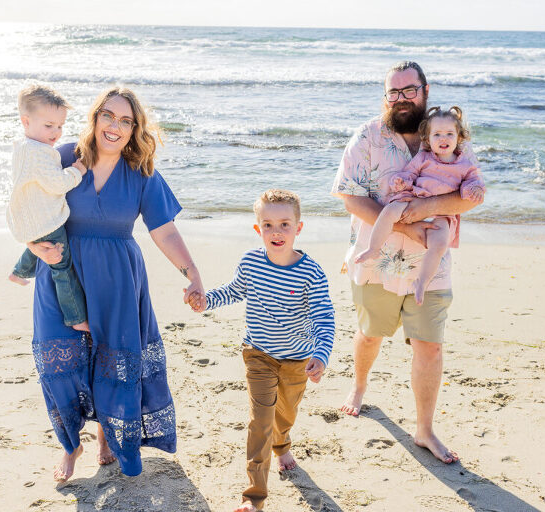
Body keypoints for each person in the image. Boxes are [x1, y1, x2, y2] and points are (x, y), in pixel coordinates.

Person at [26, 86, 205, 481]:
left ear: (134, 129)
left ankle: (109, 438)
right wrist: (31, 246)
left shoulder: (141, 172)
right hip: (61, 274)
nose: (115, 126)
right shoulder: (63, 156)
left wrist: (191, 273)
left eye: (126, 121)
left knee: (113, 362)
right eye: (109, 115)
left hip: (118, 281)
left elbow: (164, 230)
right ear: (95, 117)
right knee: (63, 365)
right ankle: (72, 445)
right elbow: (26, 202)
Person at [331, 61, 483, 464]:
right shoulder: (367, 136)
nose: (401, 99)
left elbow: (469, 195)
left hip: (431, 265)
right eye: (393, 93)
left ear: (425, 90)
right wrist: (407, 225)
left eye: (408, 91)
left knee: (430, 348)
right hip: (376, 258)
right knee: (370, 334)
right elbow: (348, 195)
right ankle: (360, 386)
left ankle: (424, 430)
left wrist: (422, 210)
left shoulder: (448, 136)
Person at [188, 189, 335, 512]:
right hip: (258, 354)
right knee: (261, 420)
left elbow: (325, 317)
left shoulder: (311, 272)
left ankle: (282, 444)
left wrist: (320, 355)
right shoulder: (251, 262)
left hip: (298, 358)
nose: (276, 231)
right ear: (258, 229)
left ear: (299, 228)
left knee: (285, 415)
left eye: (284, 224)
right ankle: (254, 497)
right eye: (267, 225)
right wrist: (205, 300)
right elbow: (233, 291)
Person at [354, 106, 485, 305]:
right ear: (428, 139)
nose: (443, 139)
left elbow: (473, 183)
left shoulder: (465, 165)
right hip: (413, 197)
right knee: (389, 211)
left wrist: (474, 190)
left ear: (459, 137)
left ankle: (422, 282)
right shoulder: (424, 158)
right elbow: (410, 174)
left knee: (439, 244)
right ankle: (374, 247)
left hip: (440, 213)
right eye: (437, 134)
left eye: (449, 134)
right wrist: (401, 182)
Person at [6, 84, 90, 332]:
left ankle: (19, 272)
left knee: (42, 244)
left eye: (60, 126)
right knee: (62, 267)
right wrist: (77, 171)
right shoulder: (41, 153)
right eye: (48, 125)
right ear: (26, 121)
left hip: (30, 217)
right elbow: (57, 184)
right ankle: (76, 318)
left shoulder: (22, 148)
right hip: (46, 218)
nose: (56, 132)